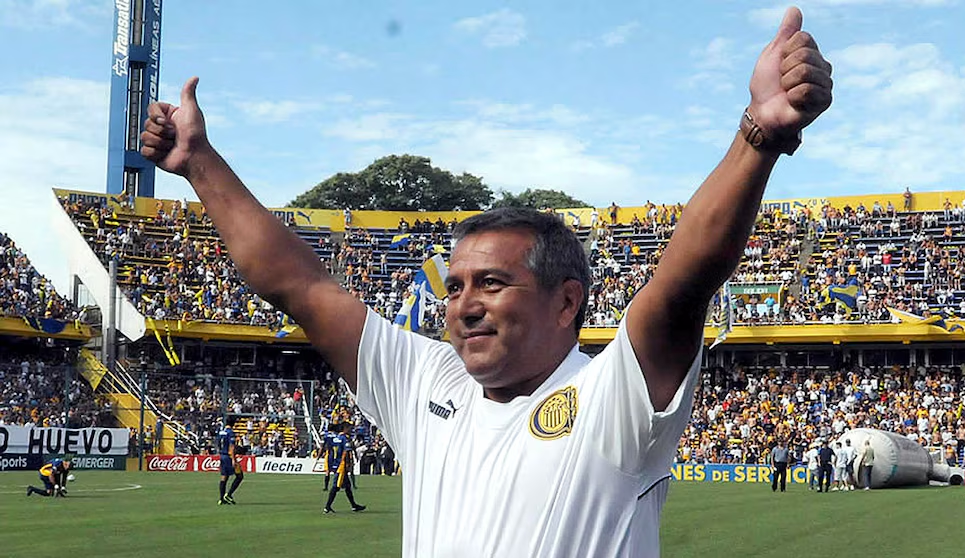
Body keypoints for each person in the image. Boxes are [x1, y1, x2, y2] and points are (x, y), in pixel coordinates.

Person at [140, 7, 831, 555]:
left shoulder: (612, 399)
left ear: (566, 302)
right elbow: (299, 284)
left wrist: (759, 135)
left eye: (492, 283)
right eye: (454, 286)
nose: (463, 304)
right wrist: (199, 161)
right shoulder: (425, 382)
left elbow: (683, 281)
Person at [322, 423, 366, 514]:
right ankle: (327, 507)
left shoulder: (335, 438)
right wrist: (348, 464)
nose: (351, 430)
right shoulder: (344, 438)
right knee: (336, 486)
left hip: (336, 464)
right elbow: (346, 452)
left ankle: (354, 505)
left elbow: (329, 449)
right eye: (349, 428)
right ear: (345, 428)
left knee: (347, 486)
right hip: (341, 466)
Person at [217, 415, 244, 505]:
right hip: (229, 457)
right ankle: (228, 495)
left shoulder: (221, 432)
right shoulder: (231, 433)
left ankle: (221, 499)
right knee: (239, 476)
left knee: (224, 477)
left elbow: (218, 444)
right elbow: (231, 447)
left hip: (222, 455)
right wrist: (233, 459)